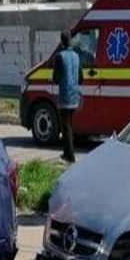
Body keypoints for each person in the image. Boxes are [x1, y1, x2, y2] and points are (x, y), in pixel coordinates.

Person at [52, 29, 83, 162]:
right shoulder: (76, 56)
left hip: (65, 96)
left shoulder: (59, 56)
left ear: (61, 41)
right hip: (75, 95)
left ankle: (70, 156)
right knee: (69, 123)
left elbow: (56, 78)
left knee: (66, 126)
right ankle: (66, 152)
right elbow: (81, 77)